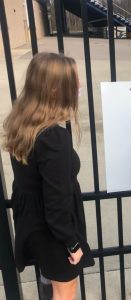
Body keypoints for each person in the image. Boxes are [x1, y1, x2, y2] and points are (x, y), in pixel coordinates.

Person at [3, 52, 94, 300]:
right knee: (64, 291)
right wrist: (72, 243)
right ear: (55, 88)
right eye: (73, 80)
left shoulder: (23, 123)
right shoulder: (53, 138)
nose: (79, 85)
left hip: (34, 223)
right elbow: (57, 203)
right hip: (53, 231)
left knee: (51, 284)